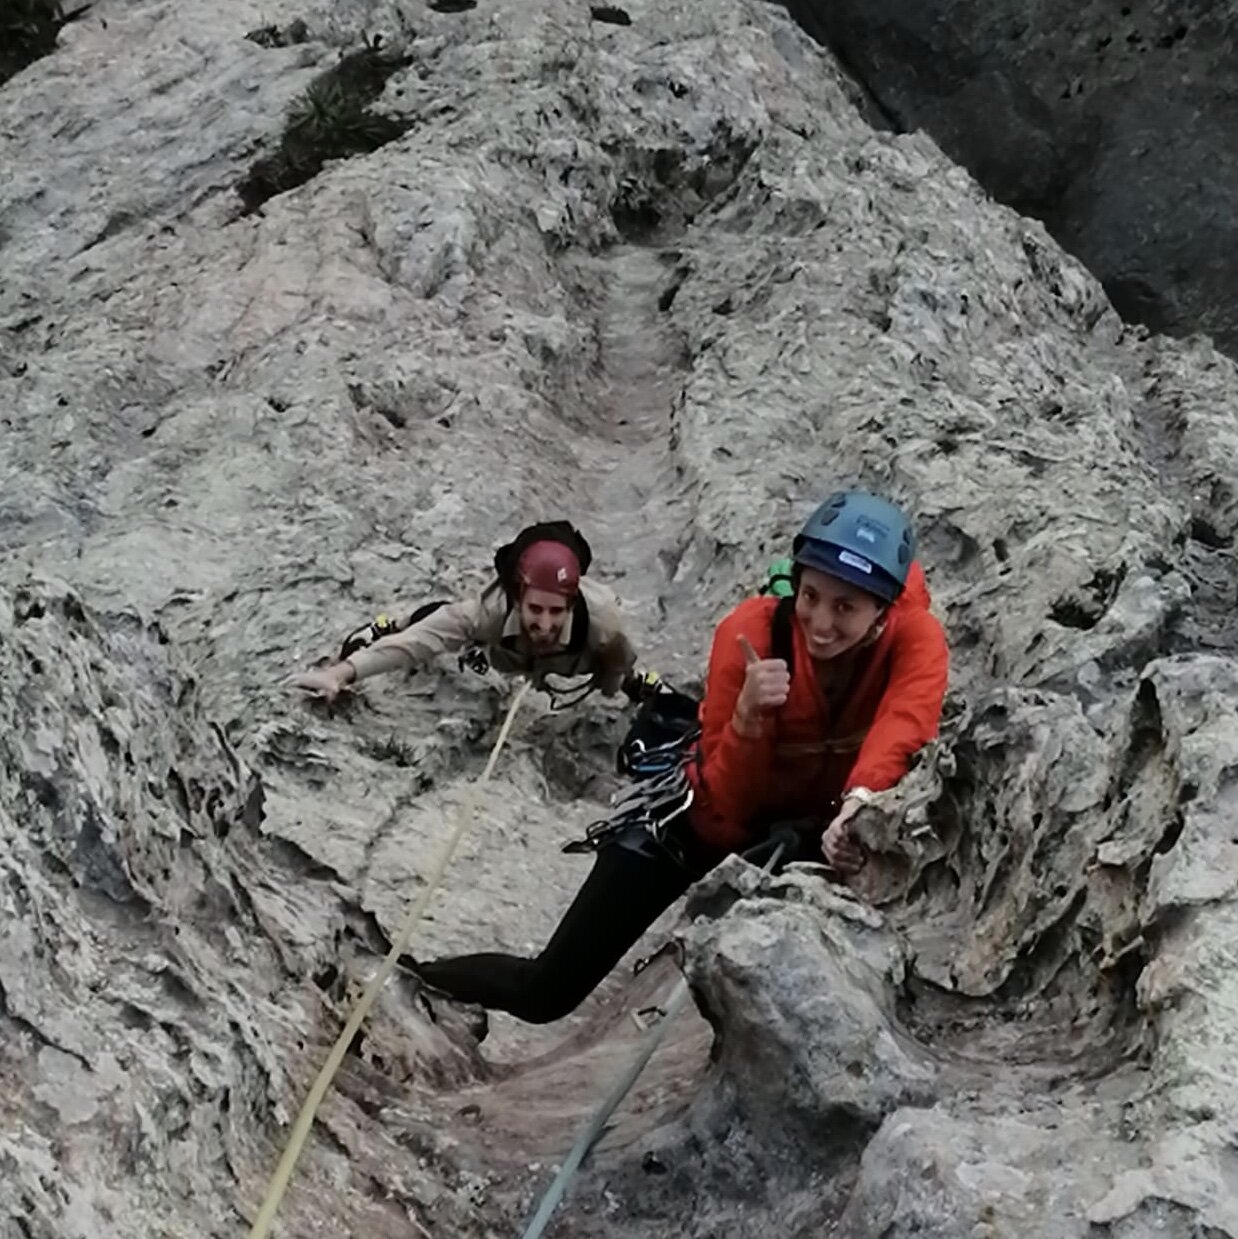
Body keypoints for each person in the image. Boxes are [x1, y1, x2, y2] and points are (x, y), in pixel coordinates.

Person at [411, 491, 950, 1023]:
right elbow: (730, 799)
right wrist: (749, 716)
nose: (821, 621)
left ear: (882, 613)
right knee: (546, 994)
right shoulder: (750, 632)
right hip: (693, 825)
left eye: (845, 607)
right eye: (810, 596)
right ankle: (411, 979)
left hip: (791, 834)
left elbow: (904, 726)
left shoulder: (916, 640)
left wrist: (854, 810)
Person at [286, 521, 640, 703]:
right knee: (442, 621)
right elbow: (421, 642)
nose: (545, 624)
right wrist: (341, 673)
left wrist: (614, 687)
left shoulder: (602, 624)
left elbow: (617, 665)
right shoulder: (490, 612)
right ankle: (394, 620)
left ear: (571, 604)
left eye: (555, 611)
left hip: (569, 660)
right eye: (534, 609)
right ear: (517, 598)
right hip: (503, 648)